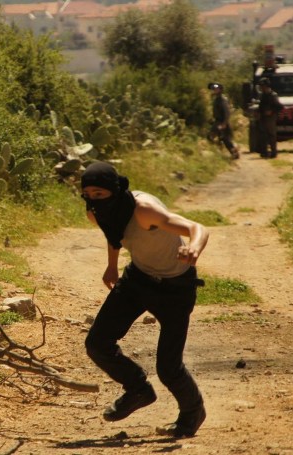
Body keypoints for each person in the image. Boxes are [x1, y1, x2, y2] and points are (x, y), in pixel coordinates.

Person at [80, 161, 209, 438]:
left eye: (100, 194)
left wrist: (194, 249)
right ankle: (138, 389)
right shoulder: (95, 212)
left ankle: (192, 413)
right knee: (97, 344)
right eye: (88, 194)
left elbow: (197, 227)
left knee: (168, 368)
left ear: (115, 190)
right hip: (137, 280)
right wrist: (112, 265)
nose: (94, 201)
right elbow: (112, 233)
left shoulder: (144, 210)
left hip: (176, 287)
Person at [208, 83, 239, 160]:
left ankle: (234, 152)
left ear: (220, 89)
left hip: (222, 122)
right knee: (217, 137)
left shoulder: (222, 99)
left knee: (225, 139)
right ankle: (222, 152)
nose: (214, 90)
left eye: (216, 89)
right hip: (218, 121)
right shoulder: (217, 99)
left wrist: (224, 123)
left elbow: (227, 112)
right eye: (214, 89)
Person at [256, 77, 282, 159]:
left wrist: (271, 111)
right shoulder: (262, 95)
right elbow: (260, 106)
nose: (261, 88)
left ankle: (273, 152)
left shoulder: (273, 95)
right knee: (263, 135)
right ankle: (264, 152)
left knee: (271, 135)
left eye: (262, 86)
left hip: (271, 117)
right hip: (263, 117)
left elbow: (279, 107)